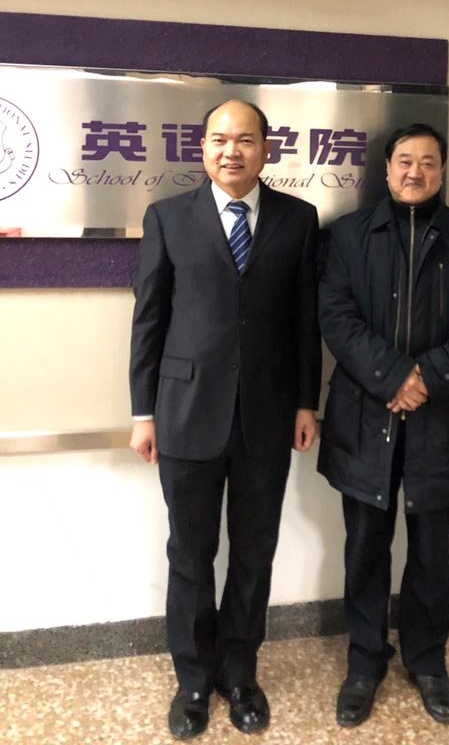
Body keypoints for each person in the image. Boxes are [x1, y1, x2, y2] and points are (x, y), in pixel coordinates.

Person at [129, 99, 321, 740]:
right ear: (202, 148)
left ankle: (240, 672)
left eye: (244, 139)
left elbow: (305, 320)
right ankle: (191, 678)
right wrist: (142, 412)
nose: (230, 151)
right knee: (190, 554)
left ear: (266, 147)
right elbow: (149, 318)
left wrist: (306, 402)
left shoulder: (298, 219)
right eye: (218, 139)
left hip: (267, 414)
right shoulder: (168, 217)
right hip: (184, 413)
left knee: (254, 552)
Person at [317, 123, 449, 727]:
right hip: (364, 416)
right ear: (387, 168)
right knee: (364, 548)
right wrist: (394, 376)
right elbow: (335, 313)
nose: (415, 172)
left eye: (428, 162)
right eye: (405, 160)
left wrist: (427, 377)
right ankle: (364, 662)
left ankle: (428, 661)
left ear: (443, 170)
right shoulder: (349, 234)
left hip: (441, 416)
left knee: (431, 549)